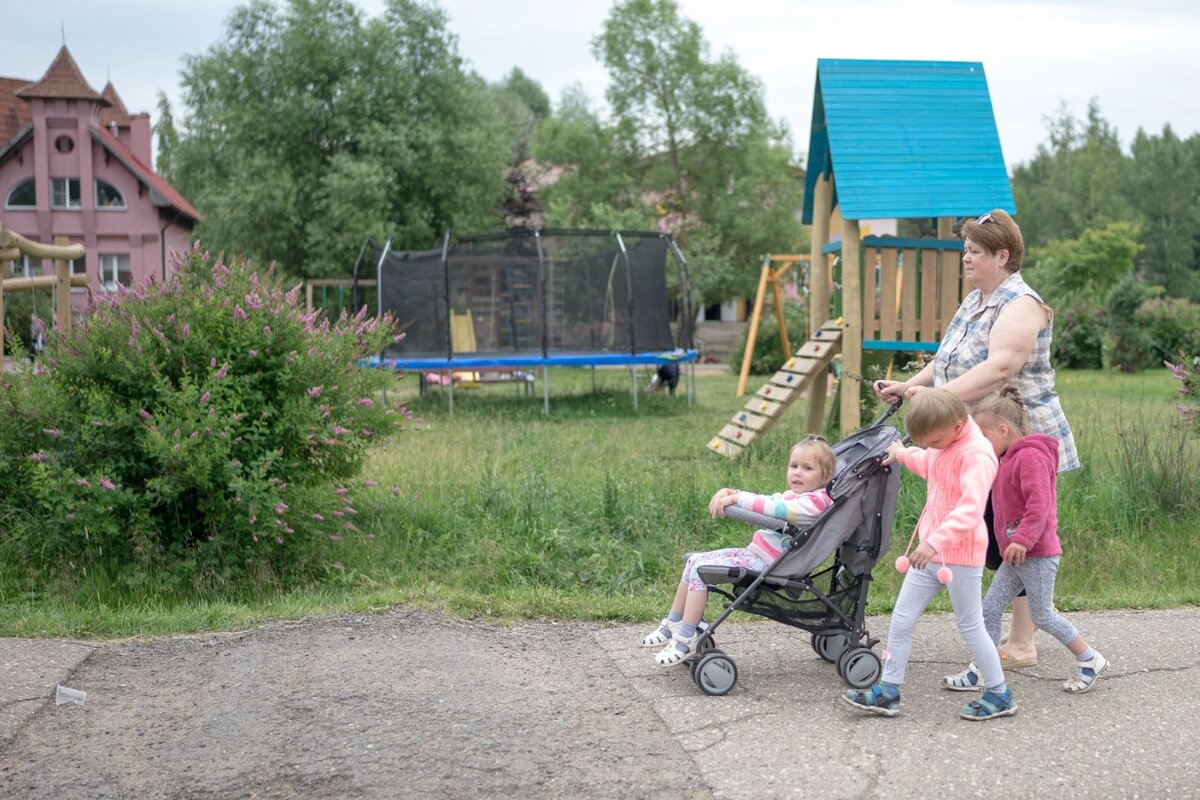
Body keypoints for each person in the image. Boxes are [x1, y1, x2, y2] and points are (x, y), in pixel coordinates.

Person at [872, 209, 1078, 669]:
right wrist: (910, 387)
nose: (966, 258)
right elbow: (948, 360)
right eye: (966, 249)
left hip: (1020, 439)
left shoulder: (1020, 303)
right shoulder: (977, 299)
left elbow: (1001, 367)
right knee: (999, 533)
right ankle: (1006, 630)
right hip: (981, 435)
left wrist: (935, 400)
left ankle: (1023, 641)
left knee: (1019, 534)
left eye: (975, 251)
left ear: (1002, 255)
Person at [841, 389, 1015, 720]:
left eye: (935, 440)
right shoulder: (943, 443)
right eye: (927, 443)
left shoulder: (977, 455)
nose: (932, 447)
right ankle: (888, 690)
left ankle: (1000, 692)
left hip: (959, 555)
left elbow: (970, 508)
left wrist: (934, 542)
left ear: (958, 424)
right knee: (902, 618)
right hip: (928, 552)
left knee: (970, 625)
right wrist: (903, 454)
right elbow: (933, 464)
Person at [943, 387, 1108, 694]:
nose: (980, 444)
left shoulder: (1030, 457)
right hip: (1016, 556)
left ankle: (1089, 659)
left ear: (1003, 429)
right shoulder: (1007, 457)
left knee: (1043, 614)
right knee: (989, 610)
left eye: (984, 436)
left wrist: (1022, 539)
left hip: (1037, 554)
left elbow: (1040, 506)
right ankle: (982, 670)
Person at [642, 435, 837, 666]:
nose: (797, 472)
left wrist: (738, 499)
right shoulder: (796, 496)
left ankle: (687, 637)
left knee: (700, 569)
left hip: (769, 565)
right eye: (793, 466)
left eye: (807, 468)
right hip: (757, 556)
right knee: (694, 560)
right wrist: (733, 492)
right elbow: (767, 499)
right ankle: (675, 622)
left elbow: (776, 507)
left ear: (825, 476)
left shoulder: (813, 503)